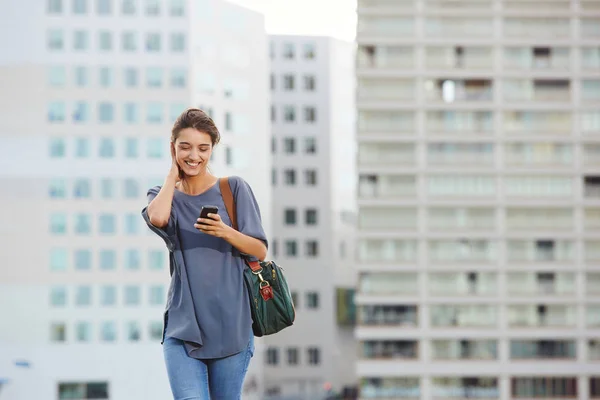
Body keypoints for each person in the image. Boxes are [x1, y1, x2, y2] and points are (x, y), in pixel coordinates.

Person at [141, 108, 268, 400]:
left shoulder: (233, 189)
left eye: (203, 148)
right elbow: (158, 218)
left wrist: (225, 231)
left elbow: (260, 249)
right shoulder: (162, 195)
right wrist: (173, 174)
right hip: (183, 327)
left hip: (231, 326)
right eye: (185, 147)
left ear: (212, 149)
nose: (193, 156)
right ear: (173, 147)